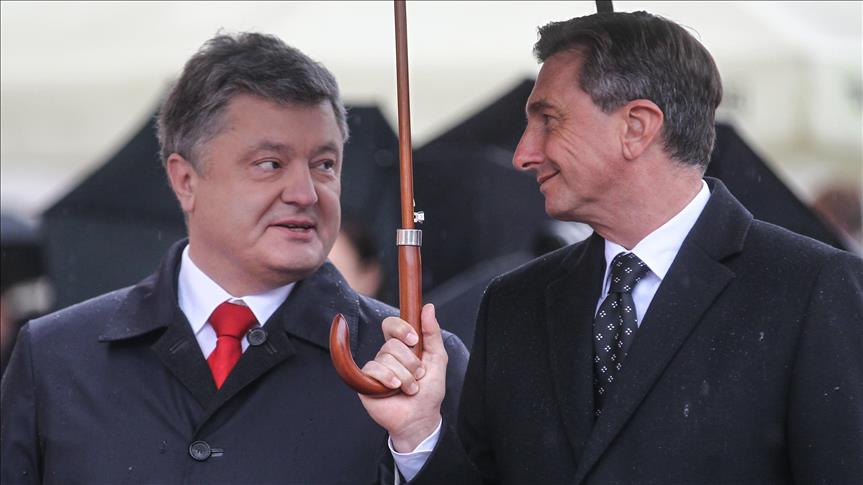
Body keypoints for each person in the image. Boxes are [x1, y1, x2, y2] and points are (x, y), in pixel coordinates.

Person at [359, 11, 863, 484]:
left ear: (636, 127)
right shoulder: (513, 305)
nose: (522, 154)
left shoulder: (813, 289)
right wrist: (419, 434)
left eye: (548, 119)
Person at [0, 32, 468, 484]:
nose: (305, 193)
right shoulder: (54, 357)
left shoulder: (419, 371)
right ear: (185, 180)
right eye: (270, 164)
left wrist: (417, 444)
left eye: (324, 165)